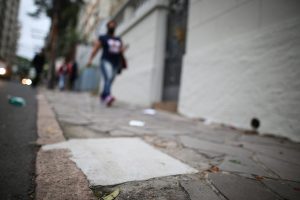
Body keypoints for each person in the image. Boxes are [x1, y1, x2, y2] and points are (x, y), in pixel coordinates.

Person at [87, 20, 125, 107]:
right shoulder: (103, 37)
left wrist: (122, 52)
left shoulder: (118, 39)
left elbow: (121, 50)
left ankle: (103, 95)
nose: (112, 26)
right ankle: (108, 96)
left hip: (116, 62)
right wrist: (90, 59)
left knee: (110, 80)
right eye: (111, 24)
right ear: (107, 27)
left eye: (114, 24)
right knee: (108, 77)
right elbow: (96, 49)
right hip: (105, 61)